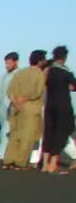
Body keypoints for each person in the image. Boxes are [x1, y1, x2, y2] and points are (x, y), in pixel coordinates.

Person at [2, 50, 47, 170]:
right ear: (40, 61)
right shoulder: (39, 74)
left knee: (14, 135)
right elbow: (37, 92)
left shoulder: (20, 73)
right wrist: (24, 98)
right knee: (27, 137)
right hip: (31, 108)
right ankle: (20, 163)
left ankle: (8, 160)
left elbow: (10, 91)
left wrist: (15, 100)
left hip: (15, 107)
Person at [41, 45, 74, 175]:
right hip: (63, 106)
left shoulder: (48, 71)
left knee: (48, 133)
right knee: (60, 133)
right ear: (64, 57)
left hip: (49, 105)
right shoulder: (65, 71)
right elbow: (74, 86)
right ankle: (53, 164)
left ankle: (44, 165)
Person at [0, 52, 19, 165]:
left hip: (10, 107)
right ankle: (9, 156)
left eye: (9, 63)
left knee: (4, 132)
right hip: (1, 107)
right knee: (5, 133)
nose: (7, 65)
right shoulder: (5, 75)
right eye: (6, 63)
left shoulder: (18, 75)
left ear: (16, 62)